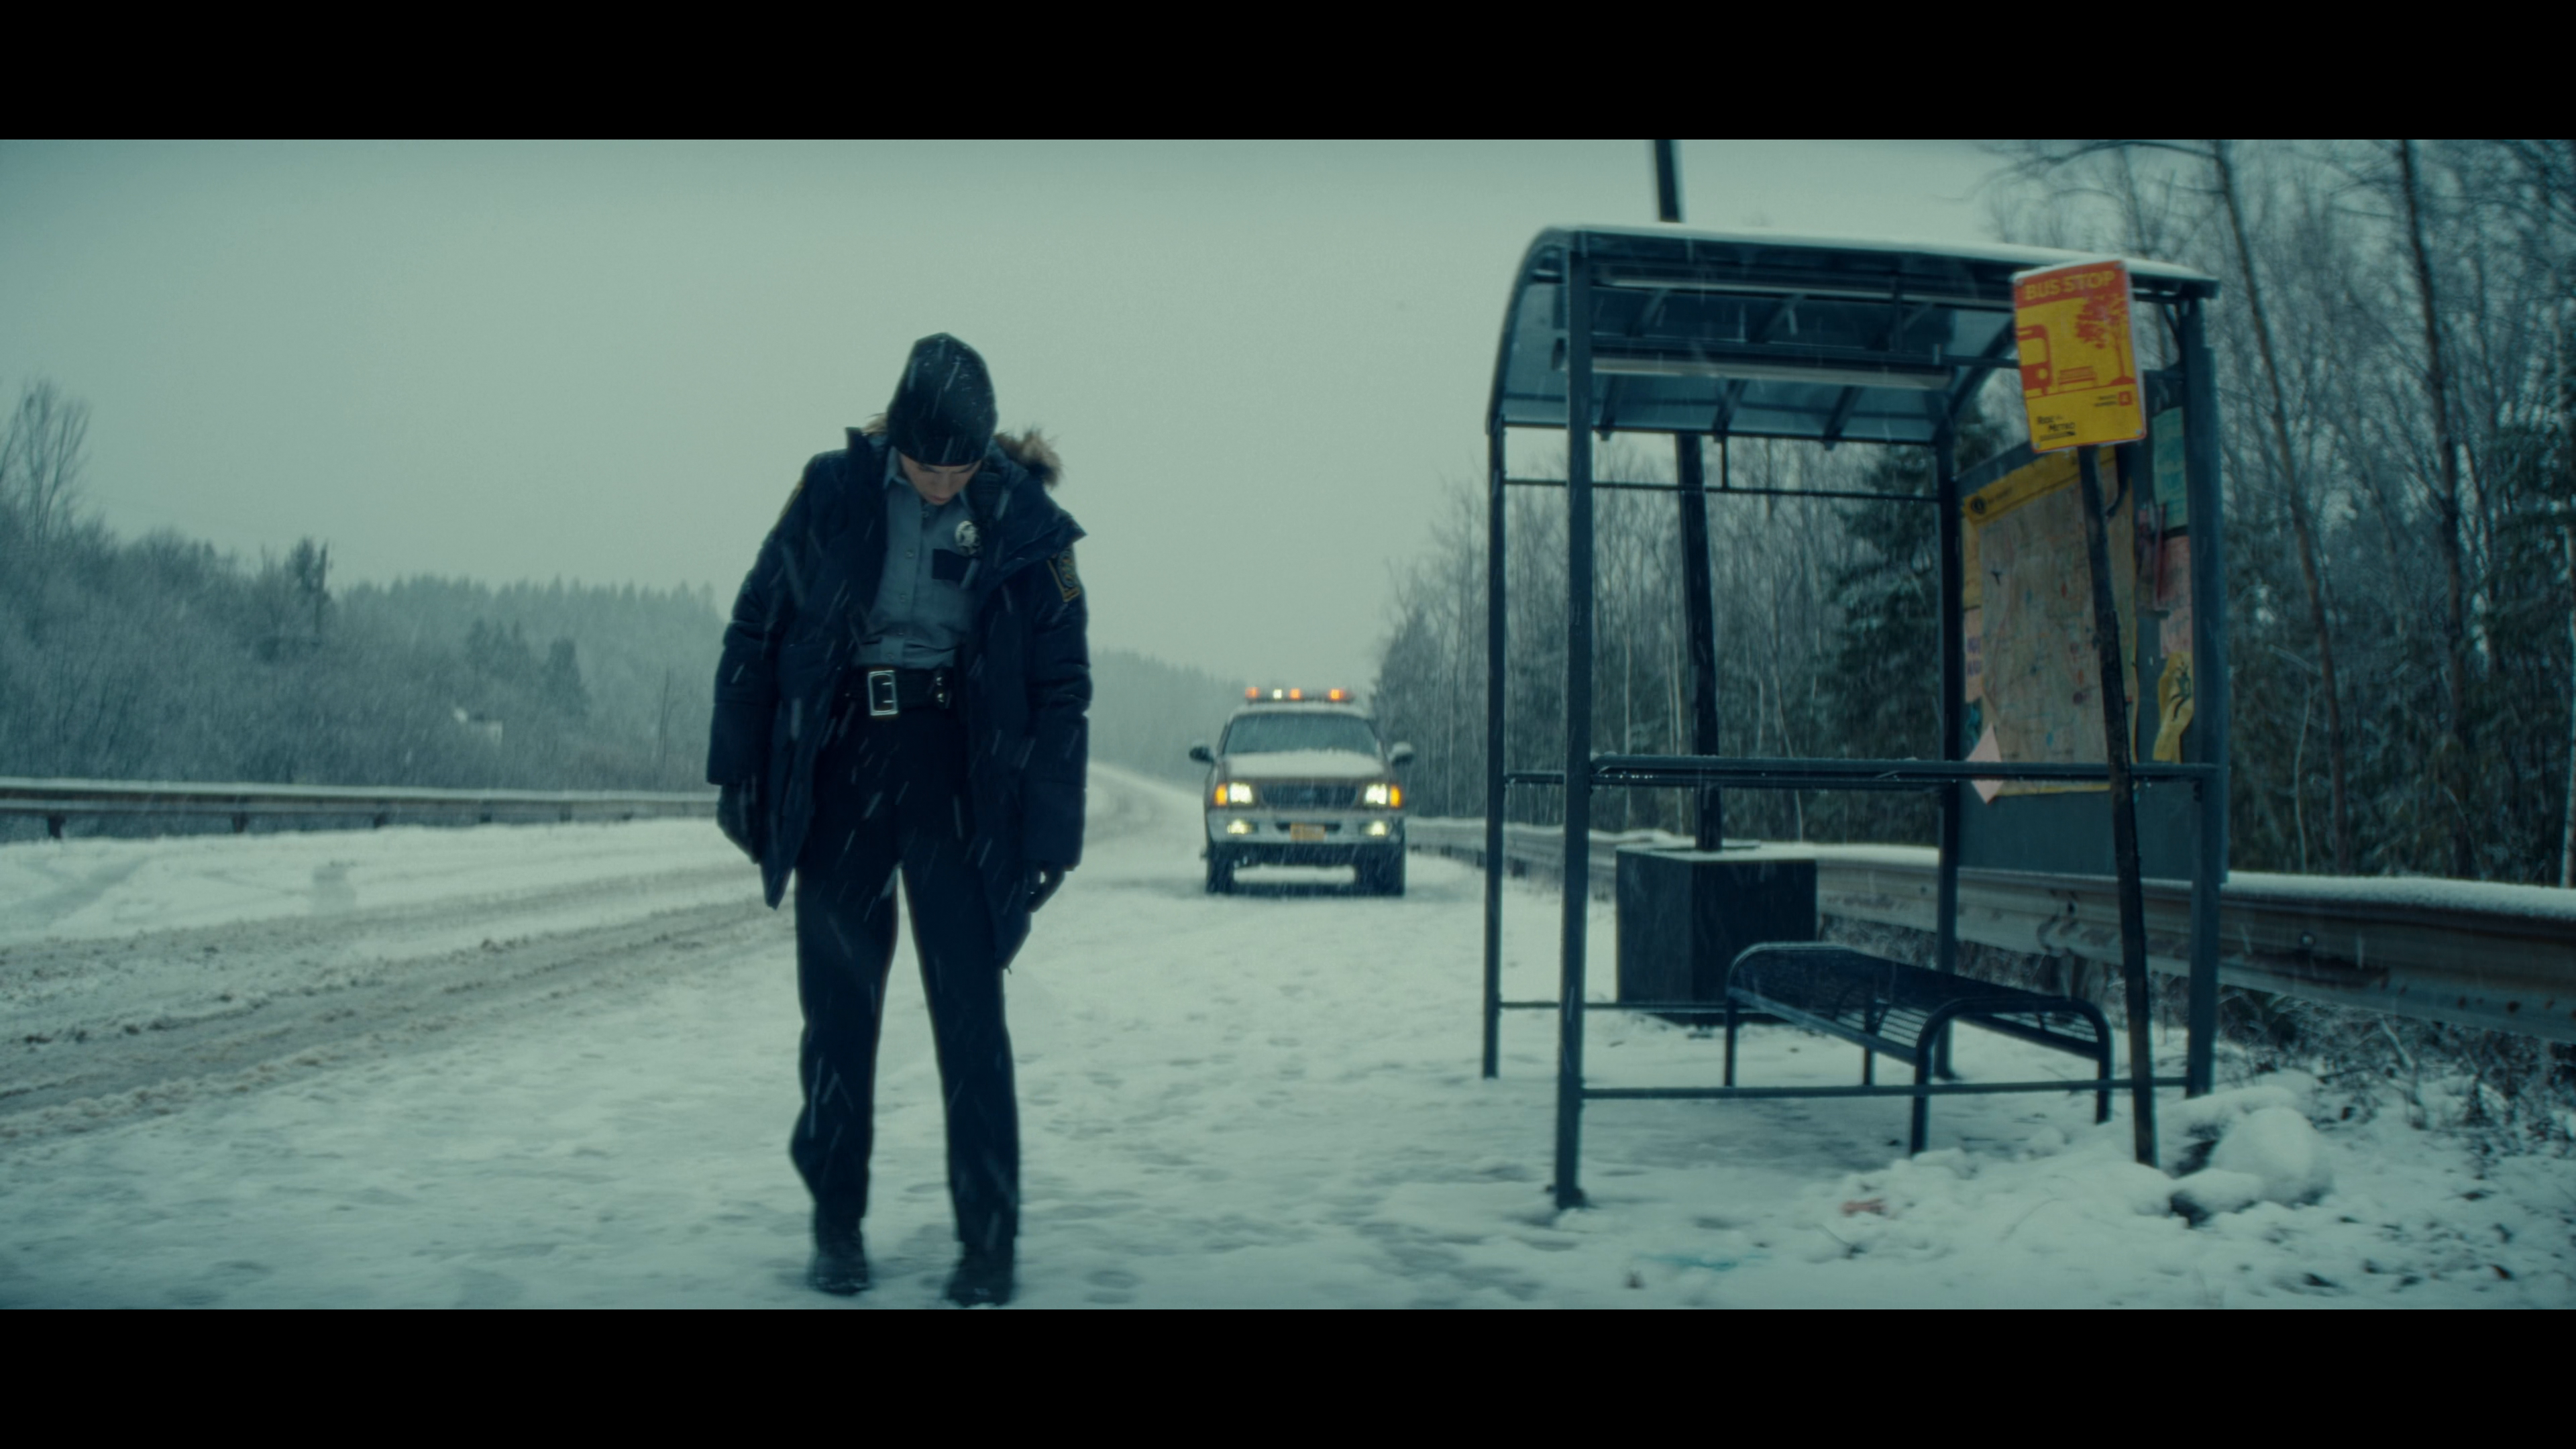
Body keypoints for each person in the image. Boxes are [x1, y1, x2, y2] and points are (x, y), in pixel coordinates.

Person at [706, 333, 1089, 1305]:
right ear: (898, 439)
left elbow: (1061, 686)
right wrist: (740, 771)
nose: (941, 484)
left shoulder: (1023, 521)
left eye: (960, 469)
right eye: (926, 467)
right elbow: (758, 624)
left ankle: (989, 1245)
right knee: (838, 1013)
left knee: (971, 1019)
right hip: (844, 763)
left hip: (958, 776)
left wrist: (1051, 833)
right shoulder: (832, 491)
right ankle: (835, 1226)